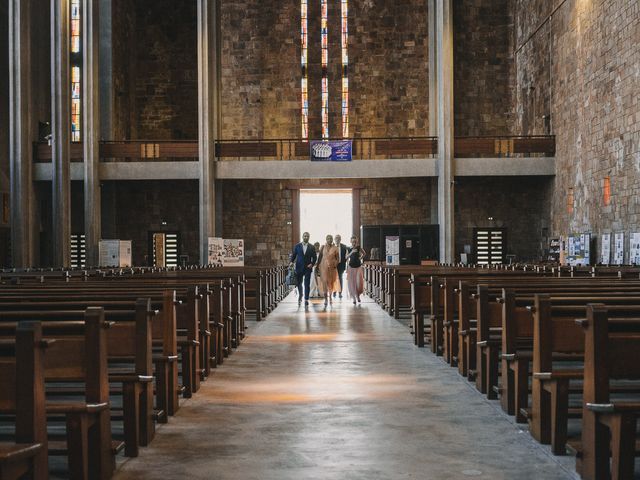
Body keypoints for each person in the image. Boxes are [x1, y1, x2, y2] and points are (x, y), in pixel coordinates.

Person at [290, 232, 317, 306]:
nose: (306, 237)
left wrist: (312, 263)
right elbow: (294, 255)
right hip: (299, 267)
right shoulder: (297, 246)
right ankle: (300, 295)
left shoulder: (312, 247)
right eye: (305, 236)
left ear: (309, 237)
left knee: (307, 284)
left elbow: (315, 257)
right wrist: (291, 262)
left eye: (307, 236)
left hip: (308, 268)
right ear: (302, 237)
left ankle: (306, 299)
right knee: (299, 283)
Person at [317, 234, 340, 307]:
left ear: (332, 239)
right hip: (323, 267)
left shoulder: (335, 248)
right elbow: (320, 257)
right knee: (324, 282)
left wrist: (335, 264)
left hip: (332, 268)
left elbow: (338, 258)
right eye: (328, 238)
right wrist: (317, 266)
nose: (329, 240)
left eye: (331, 238)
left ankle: (330, 297)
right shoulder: (322, 247)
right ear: (326, 239)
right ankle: (326, 299)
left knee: (331, 283)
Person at [346, 235, 366, 304]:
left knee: (358, 282)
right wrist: (351, 252)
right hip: (351, 267)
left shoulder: (358, 247)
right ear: (350, 241)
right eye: (352, 241)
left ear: (356, 241)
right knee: (352, 283)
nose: (354, 243)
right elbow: (346, 257)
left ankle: (358, 296)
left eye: (355, 241)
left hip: (358, 267)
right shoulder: (348, 248)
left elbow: (364, 253)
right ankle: (354, 298)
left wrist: (360, 258)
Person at [334, 234, 349, 299]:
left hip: (341, 265)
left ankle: (340, 293)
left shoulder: (344, 247)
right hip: (333, 265)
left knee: (340, 278)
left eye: (339, 238)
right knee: (334, 279)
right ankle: (334, 292)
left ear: (340, 239)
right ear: (334, 239)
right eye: (336, 238)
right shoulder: (332, 246)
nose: (337, 239)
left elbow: (347, 257)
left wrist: (347, 265)